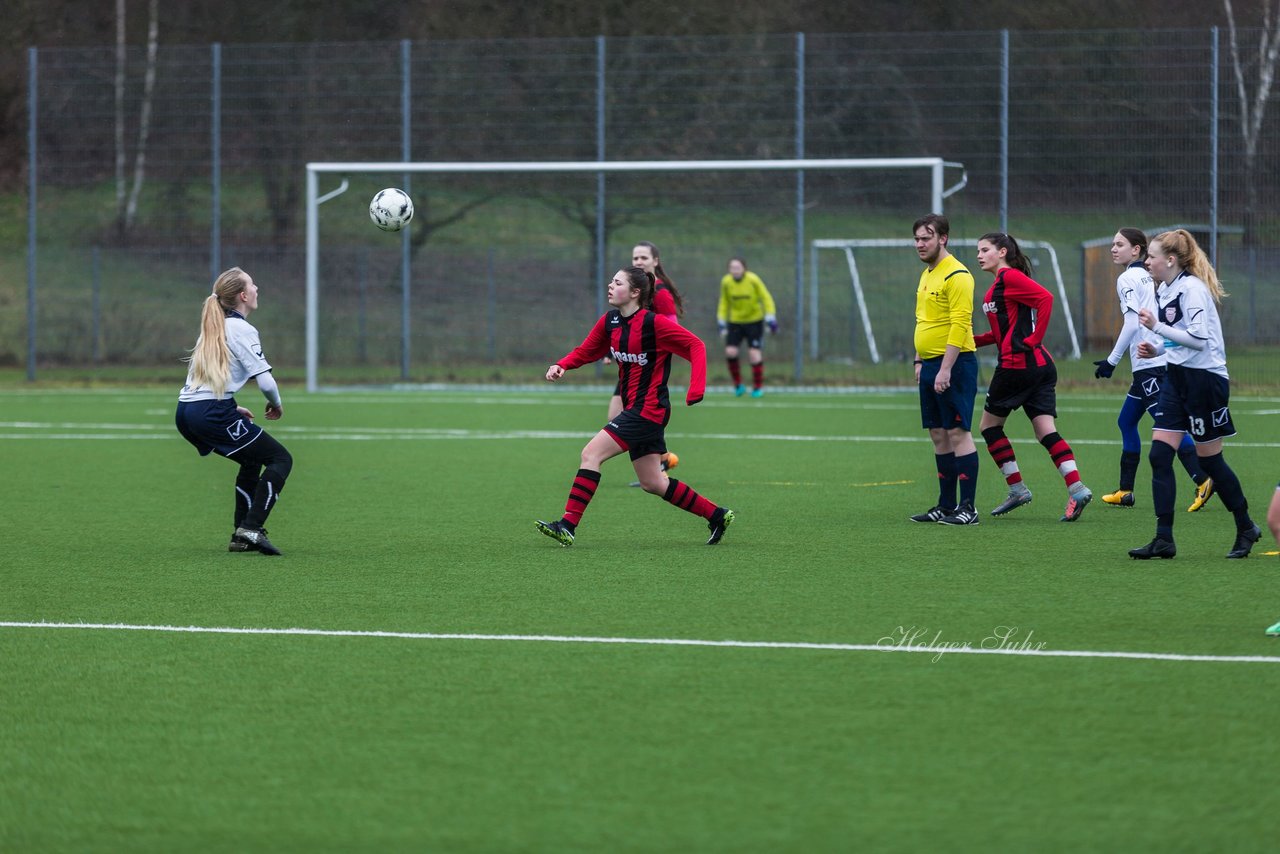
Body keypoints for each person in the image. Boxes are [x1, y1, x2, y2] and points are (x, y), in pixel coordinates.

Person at [536, 266, 734, 546]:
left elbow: (696, 346)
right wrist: (562, 365)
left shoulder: (654, 324)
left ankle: (567, 525)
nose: (610, 286)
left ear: (635, 292)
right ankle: (717, 514)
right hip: (637, 409)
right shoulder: (611, 321)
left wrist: (696, 389)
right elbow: (587, 350)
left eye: (617, 283)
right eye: (611, 281)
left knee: (590, 454)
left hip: (648, 409)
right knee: (653, 482)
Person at [1128, 229, 1261, 560]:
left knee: (1209, 461)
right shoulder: (1165, 289)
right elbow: (1180, 337)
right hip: (1176, 378)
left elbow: (1200, 340)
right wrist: (1156, 348)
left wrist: (1157, 329)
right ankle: (1163, 539)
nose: (1147, 261)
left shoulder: (1192, 290)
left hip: (1205, 382)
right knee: (1159, 455)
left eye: (1153, 256)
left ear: (1170, 260)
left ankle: (1246, 526)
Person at [973, 233, 1093, 522]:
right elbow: (1001, 334)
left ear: (1002, 252)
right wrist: (971, 341)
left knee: (989, 428)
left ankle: (1017, 489)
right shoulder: (995, 289)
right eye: (978, 250)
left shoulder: (1009, 278)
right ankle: (1077, 489)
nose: (979, 254)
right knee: (1045, 431)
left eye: (985, 249)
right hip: (1039, 367)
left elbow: (1045, 298)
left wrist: (1035, 338)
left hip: (1017, 367)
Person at [174, 267, 293, 555]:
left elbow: (204, 379)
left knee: (251, 462)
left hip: (188, 411)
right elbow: (265, 381)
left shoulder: (214, 327)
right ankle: (251, 528)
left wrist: (229, 405)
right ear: (242, 295)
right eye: (252, 285)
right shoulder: (241, 328)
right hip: (210, 411)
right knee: (280, 459)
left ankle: (241, 535)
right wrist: (276, 404)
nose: (256, 289)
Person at [1094, 228, 1214, 511]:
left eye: (1119, 244)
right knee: (1126, 421)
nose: (1113, 248)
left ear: (1137, 250)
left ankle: (1203, 478)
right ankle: (1125, 491)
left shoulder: (1127, 278)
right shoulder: (1153, 276)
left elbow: (1133, 323)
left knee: (1167, 426)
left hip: (1150, 365)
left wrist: (1112, 360)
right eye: (1112, 243)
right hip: (1157, 361)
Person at [906, 214, 981, 526]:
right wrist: (919, 360)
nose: (920, 244)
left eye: (927, 238)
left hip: (955, 365)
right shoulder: (928, 274)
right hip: (930, 365)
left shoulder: (958, 275)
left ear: (943, 238)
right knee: (938, 434)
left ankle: (968, 508)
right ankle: (946, 505)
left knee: (957, 432)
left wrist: (945, 369)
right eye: (917, 239)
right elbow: (924, 321)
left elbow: (959, 324)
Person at [616, 241, 683, 474]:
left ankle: (659, 464)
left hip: (645, 368)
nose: (638, 262)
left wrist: (650, 352)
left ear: (655, 261)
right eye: (635, 258)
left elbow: (673, 332)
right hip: (630, 363)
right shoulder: (636, 292)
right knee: (620, 415)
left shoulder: (661, 293)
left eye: (644, 258)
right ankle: (660, 463)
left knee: (621, 416)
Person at [716, 257, 778, 397]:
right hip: (735, 322)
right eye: (732, 268)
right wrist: (721, 319)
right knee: (730, 352)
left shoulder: (753, 280)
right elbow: (724, 301)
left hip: (754, 321)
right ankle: (738, 385)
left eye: (738, 267)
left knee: (754, 354)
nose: (735, 270)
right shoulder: (726, 282)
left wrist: (770, 317)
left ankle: (757, 387)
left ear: (744, 268)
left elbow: (766, 297)